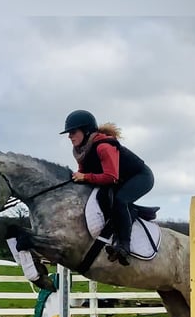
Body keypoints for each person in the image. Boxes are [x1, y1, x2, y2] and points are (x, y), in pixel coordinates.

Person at [60, 109, 154, 266]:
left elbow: (110, 177)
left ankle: (124, 245)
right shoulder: (80, 151)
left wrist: (85, 177)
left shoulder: (103, 146)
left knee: (120, 200)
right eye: (69, 133)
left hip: (141, 177)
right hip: (120, 180)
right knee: (101, 197)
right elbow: (84, 173)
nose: (69, 136)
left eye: (73, 132)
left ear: (86, 130)